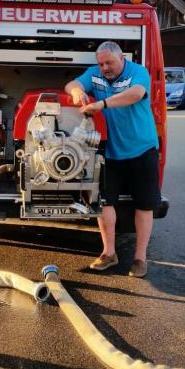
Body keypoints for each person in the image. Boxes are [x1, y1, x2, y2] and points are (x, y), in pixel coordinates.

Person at [64, 41, 161, 278]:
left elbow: (137, 94)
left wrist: (102, 104)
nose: (105, 67)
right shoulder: (95, 74)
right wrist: (76, 90)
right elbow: (72, 83)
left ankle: (140, 258)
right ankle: (109, 253)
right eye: (101, 63)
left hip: (142, 149)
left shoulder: (138, 72)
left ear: (121, 58)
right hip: (110, 152)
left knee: (144, 205)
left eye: (109, 62)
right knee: (105, 203)